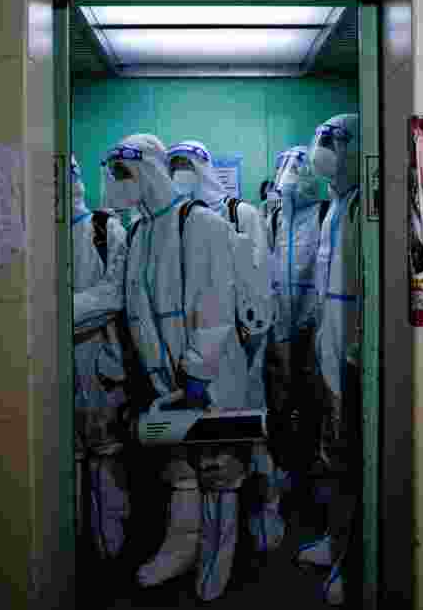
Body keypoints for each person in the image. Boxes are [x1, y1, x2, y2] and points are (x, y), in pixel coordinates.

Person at [100, 134, 251, 601]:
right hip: (166, 378)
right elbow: (137, 308)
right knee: (180, 467)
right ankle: (182, 547)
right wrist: (154, 373)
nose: (116, 186)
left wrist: (198, 371)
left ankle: (216, 559)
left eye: (123, 175)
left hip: (211, 376)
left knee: (218, 469)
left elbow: (215, 303)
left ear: (147, 170)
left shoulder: (200, 223)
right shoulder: (143, 230)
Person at [166, 139, 285, 555]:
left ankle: (267, 510)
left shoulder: (239, 213)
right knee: (207, 447)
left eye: (186, 165)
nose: (179, 174)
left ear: (203, 169)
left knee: (252, 433)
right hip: (198, 349)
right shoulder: (174, 223)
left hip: (239, 346)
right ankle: (211, 538)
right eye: (172, 165)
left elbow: (257, 284)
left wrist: (250, 347)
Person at [294, 114, 363, 606]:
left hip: (352, 348)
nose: (324, 150)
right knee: (333, 451)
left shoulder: (363, 205)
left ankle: (354, 558)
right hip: (328, 340)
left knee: (355, 458)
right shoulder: (336, 206)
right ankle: (337, 540)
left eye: (334, 141)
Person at [70, 156, 131, 562]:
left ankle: (110, 546)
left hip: (99, 358)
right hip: (52, 362)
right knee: (64, 455)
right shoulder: (35, 234)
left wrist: (53, 313)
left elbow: (114, 296)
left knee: (106, 455)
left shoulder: (105, 229)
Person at [266, 145, 332, 483]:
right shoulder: (276, 218)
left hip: (312, 326)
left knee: (311, 401)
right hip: (280, 325)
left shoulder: (324, 213)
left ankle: (309, 475)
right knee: (280, 400)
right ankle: (284, 472)